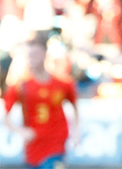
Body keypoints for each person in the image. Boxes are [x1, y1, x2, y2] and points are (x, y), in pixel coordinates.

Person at [2, 37, 79, 169]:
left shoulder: (63, 83)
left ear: (44, 54)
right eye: (29, 56)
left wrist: (76, 131)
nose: (32, 59)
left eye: (35, 55)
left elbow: (75, 107)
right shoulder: (21, 85)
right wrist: (20, 131)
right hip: (33, 147)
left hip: (57, 143)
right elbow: (5, 116)